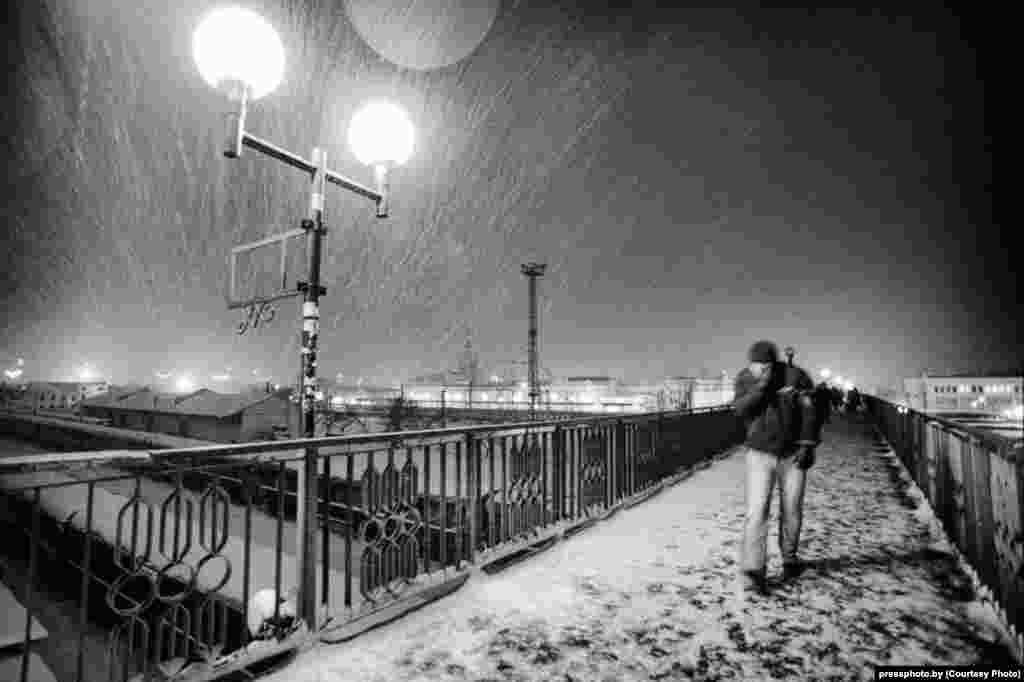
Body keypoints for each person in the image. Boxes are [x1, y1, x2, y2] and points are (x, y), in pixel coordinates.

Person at [733, 340, 822, 595]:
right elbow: (740, 409)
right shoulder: (746, 378)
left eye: (763, 365)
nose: (758, 370)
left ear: (774, 363)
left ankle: (790, 557)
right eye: (754, 365)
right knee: (757, 511)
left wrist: (808, 445)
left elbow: (810, 412)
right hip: (759, 453)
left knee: (792, 507)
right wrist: (761, 387)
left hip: (793, 453)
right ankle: (753, 571)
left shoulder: (796, 376)